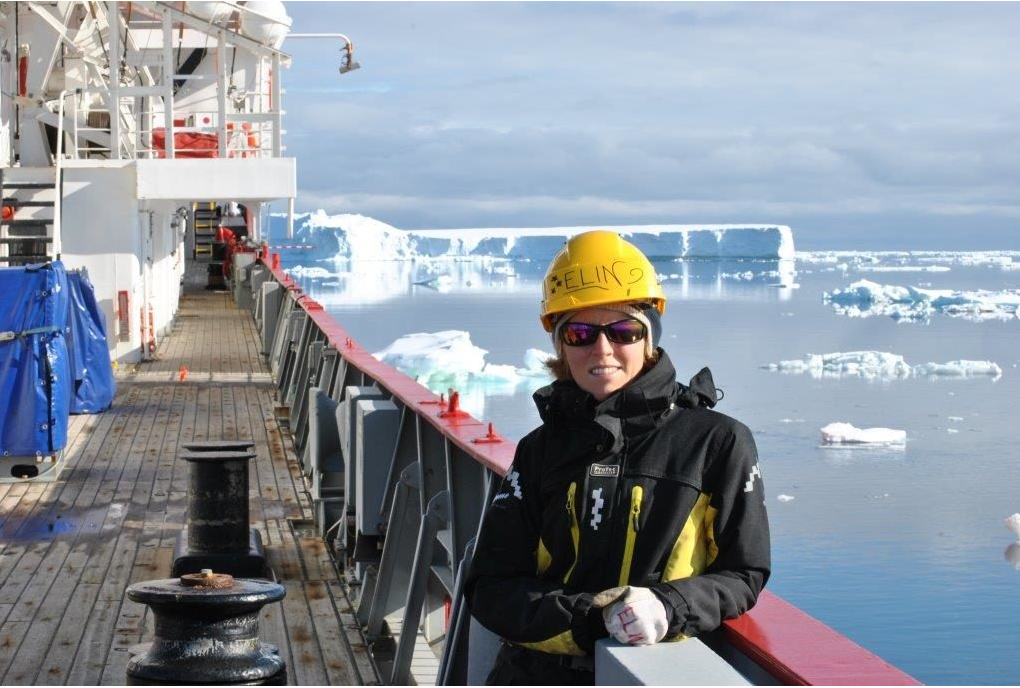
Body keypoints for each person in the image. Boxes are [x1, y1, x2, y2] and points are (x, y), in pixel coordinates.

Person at [465, 230, 771, 685]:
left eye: (624, 331)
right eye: (580, 332)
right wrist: (590, 619)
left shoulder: (716, 442)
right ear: (561, 346)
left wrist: (668, 606)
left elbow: (743, 573)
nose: (602, 349)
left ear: (649, 339)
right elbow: (491, 586)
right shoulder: (539, 450)